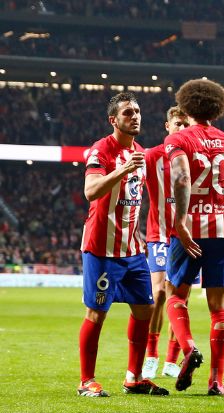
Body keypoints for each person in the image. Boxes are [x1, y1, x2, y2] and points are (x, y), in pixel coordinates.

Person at [78, 92, 169, 397]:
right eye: (128, 112)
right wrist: (123, 170)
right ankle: (86, 381)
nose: (135, 116)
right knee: (97, 313)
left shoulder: (140, 152)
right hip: (102, 249)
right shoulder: (101, 150)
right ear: (113, 120)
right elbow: (90, 191)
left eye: (137, 111)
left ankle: (134, 377)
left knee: (145, 309)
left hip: (132, 249)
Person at [165, 79, 224, 396]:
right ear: (218, 108)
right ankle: (216, 380)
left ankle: (188, 348)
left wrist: (180, 220)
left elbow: (182, 178)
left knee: (177, 296)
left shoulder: (179, 139)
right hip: (223, 231)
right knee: (219, 308)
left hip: (191, 230)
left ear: (185, 106)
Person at [141, 106, 189, 380]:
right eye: (177, 123)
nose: (181, 128)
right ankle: (151, 355)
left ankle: (172, 358)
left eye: (186, 124)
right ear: (167, 126)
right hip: (159, 233)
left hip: (187, 235)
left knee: (179, 297)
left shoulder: (195, 156)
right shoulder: (153, 156)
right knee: (159, 293)